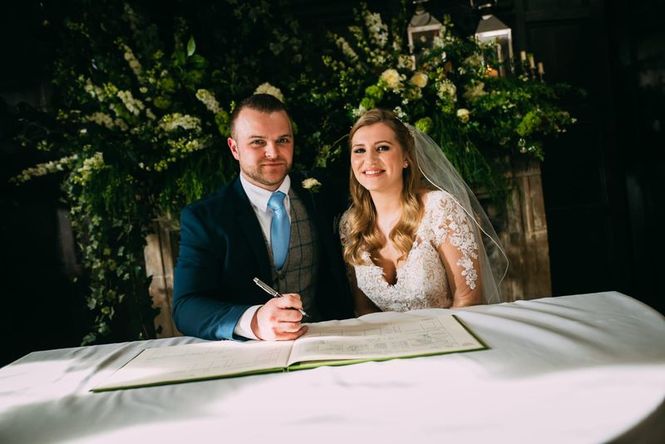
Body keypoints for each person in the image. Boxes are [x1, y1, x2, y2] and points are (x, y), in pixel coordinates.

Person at [173, 93, 353, 340]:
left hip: (328, 341)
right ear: (234, 148)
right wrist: (254, 321)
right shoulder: (204, 217)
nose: (273, 152)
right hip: (248, 355)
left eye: (283, 140)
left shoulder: (323, 192)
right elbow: (185, 307)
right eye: (258, 142)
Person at [339, 109, 508, 315]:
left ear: (405, 158)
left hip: (450, 336)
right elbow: (364, 309)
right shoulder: (352, 223)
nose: (370, 160)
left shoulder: (440, 208)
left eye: (382, 148)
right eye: (359, 150)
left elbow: (468, 299)